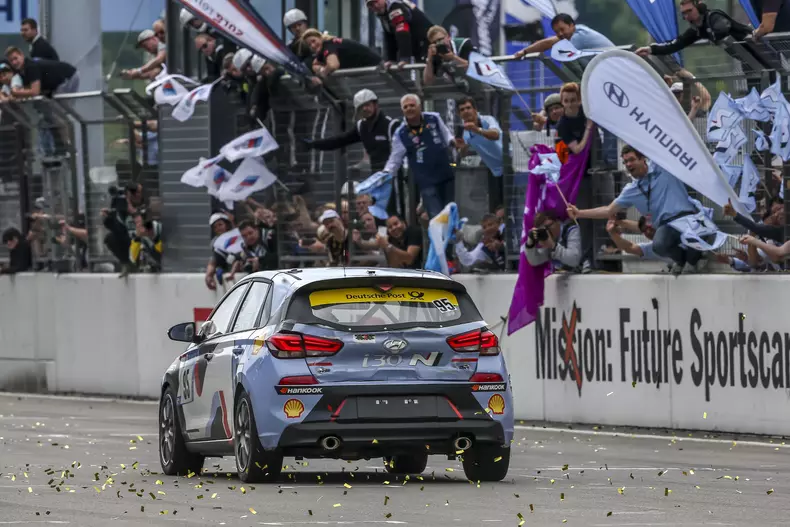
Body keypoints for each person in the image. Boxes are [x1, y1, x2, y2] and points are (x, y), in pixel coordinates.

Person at [567, 146, 705, 275]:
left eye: (631, 160)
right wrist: (579, 213)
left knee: (698, 234)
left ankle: (691, 262)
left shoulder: (662, 165)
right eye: (625, 161)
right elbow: (608, 210)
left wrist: (689, 119)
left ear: (642, 158)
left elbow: (673, 138)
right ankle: (682, 261)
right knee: (658, 245)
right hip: (667, 226)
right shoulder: (631, 189)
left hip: (688, 217)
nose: (628, 164)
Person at [382, 94, 457, 218]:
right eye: (405, 107)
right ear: (402, 111)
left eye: (412, 105)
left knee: (451, 213)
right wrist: (385, 175)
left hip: (446, 176)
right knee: (437, 218)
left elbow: (447, 135)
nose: (409, 109)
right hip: (427, 182)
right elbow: (394, 160)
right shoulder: (400, 133)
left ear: (419, 106)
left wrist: (452, 142)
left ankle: (453, 237)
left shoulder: (434, 118)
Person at [304, 88, 401, 177]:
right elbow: (339, 141)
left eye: (367, 105)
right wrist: (313, 144)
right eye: (361, 107)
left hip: (395, 175)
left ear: (375, 104)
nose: (365, 109)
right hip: (376, 176)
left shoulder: (391, 125)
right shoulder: (361, 127)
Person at [635, 0, 752, 57]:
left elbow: (723, 28)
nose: (687, 16)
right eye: (684, 13)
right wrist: (651, 49)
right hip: (747, 58)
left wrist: (711, 35)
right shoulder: (697, 29)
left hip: (757, 48)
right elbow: (676, 43)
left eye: (689, 11)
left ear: (699, 8)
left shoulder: (714, 16)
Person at [514, 14, 614, 66]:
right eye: (557, 32)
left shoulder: (578, 37)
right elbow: (547, 43)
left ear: (571, 25)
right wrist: (524, 51)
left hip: (614, 67)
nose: (560, 34)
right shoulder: (576, 31)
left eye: (562, 29)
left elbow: (561, 54)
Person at [365, 0, 434, 67]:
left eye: (376, 1)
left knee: (428, 71)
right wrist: (391, 59)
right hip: (420, 44)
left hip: (428, 42)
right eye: (371, 4)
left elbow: (402, 32)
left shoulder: (395, 6)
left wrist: (405, 59)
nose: (375, 6)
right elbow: (390, 37)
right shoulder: (383, 12)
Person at [302, 29, 382, 81]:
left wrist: (323, 73)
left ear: (320, 38)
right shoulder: (324, 49)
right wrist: (320, 69)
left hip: (378, 70)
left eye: (313, 41)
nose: (312, 45)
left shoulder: (329, 44)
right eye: (309, 45)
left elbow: (333, 65)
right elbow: (315, 64)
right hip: (370, 72)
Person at [456, 97, 504, 178]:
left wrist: (476, 129)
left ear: (475, 110)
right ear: (459, 114)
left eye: (468, 108)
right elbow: (463, 154)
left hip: (510, 163)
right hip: (496, 171)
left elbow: (495, 135)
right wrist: (463, 148)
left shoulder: (488, 119)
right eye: (462, 110)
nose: (466, 111)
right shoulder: (464, 133)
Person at [5, 46, 78, 98]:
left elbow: (35, 91)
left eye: (15, 58)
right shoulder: (22, 71)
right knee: (57, 107)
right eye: (11, 61)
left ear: (22, 55)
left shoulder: (30, 66)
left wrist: (16, 93)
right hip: (60, 81)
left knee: (61, 107)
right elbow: (29, 88)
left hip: (67, 77)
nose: (14, 62)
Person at [357, 214, 422, 269]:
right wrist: (358, 241)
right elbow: (394, 266)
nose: (394, 228)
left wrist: (388, 246)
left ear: (403, 223)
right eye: (390, 227)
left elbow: (409, 259)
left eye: (396, 224)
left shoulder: (413, 232)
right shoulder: (391, 239)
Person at [605, 217, 674, 266]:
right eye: (644, 231)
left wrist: (619, 222)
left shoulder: (674, 227)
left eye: (650, 228)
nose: (648, 232)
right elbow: (629, 247)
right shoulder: (653, 248)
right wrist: (612, 232)